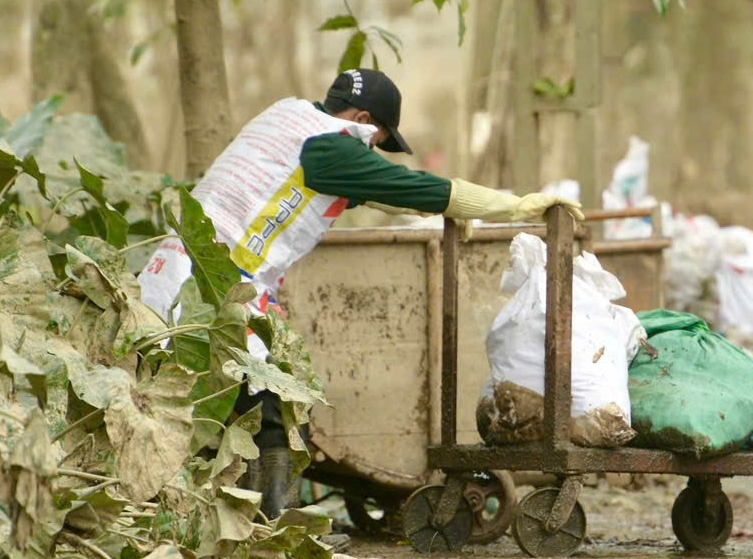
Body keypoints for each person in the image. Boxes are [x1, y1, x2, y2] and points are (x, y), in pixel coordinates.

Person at [137, 68, 582, 515]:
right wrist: (515, 206)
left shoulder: (288, 120)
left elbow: (376, 191)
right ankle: (271, 530)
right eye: (376, 142)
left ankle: (203, 514)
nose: (370, 153)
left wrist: (453, 209)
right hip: (209, 293)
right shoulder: (332, 146)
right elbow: (409, 186)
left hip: (173, 277)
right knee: (281, 411)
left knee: (201, 410)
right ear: (364, 119)